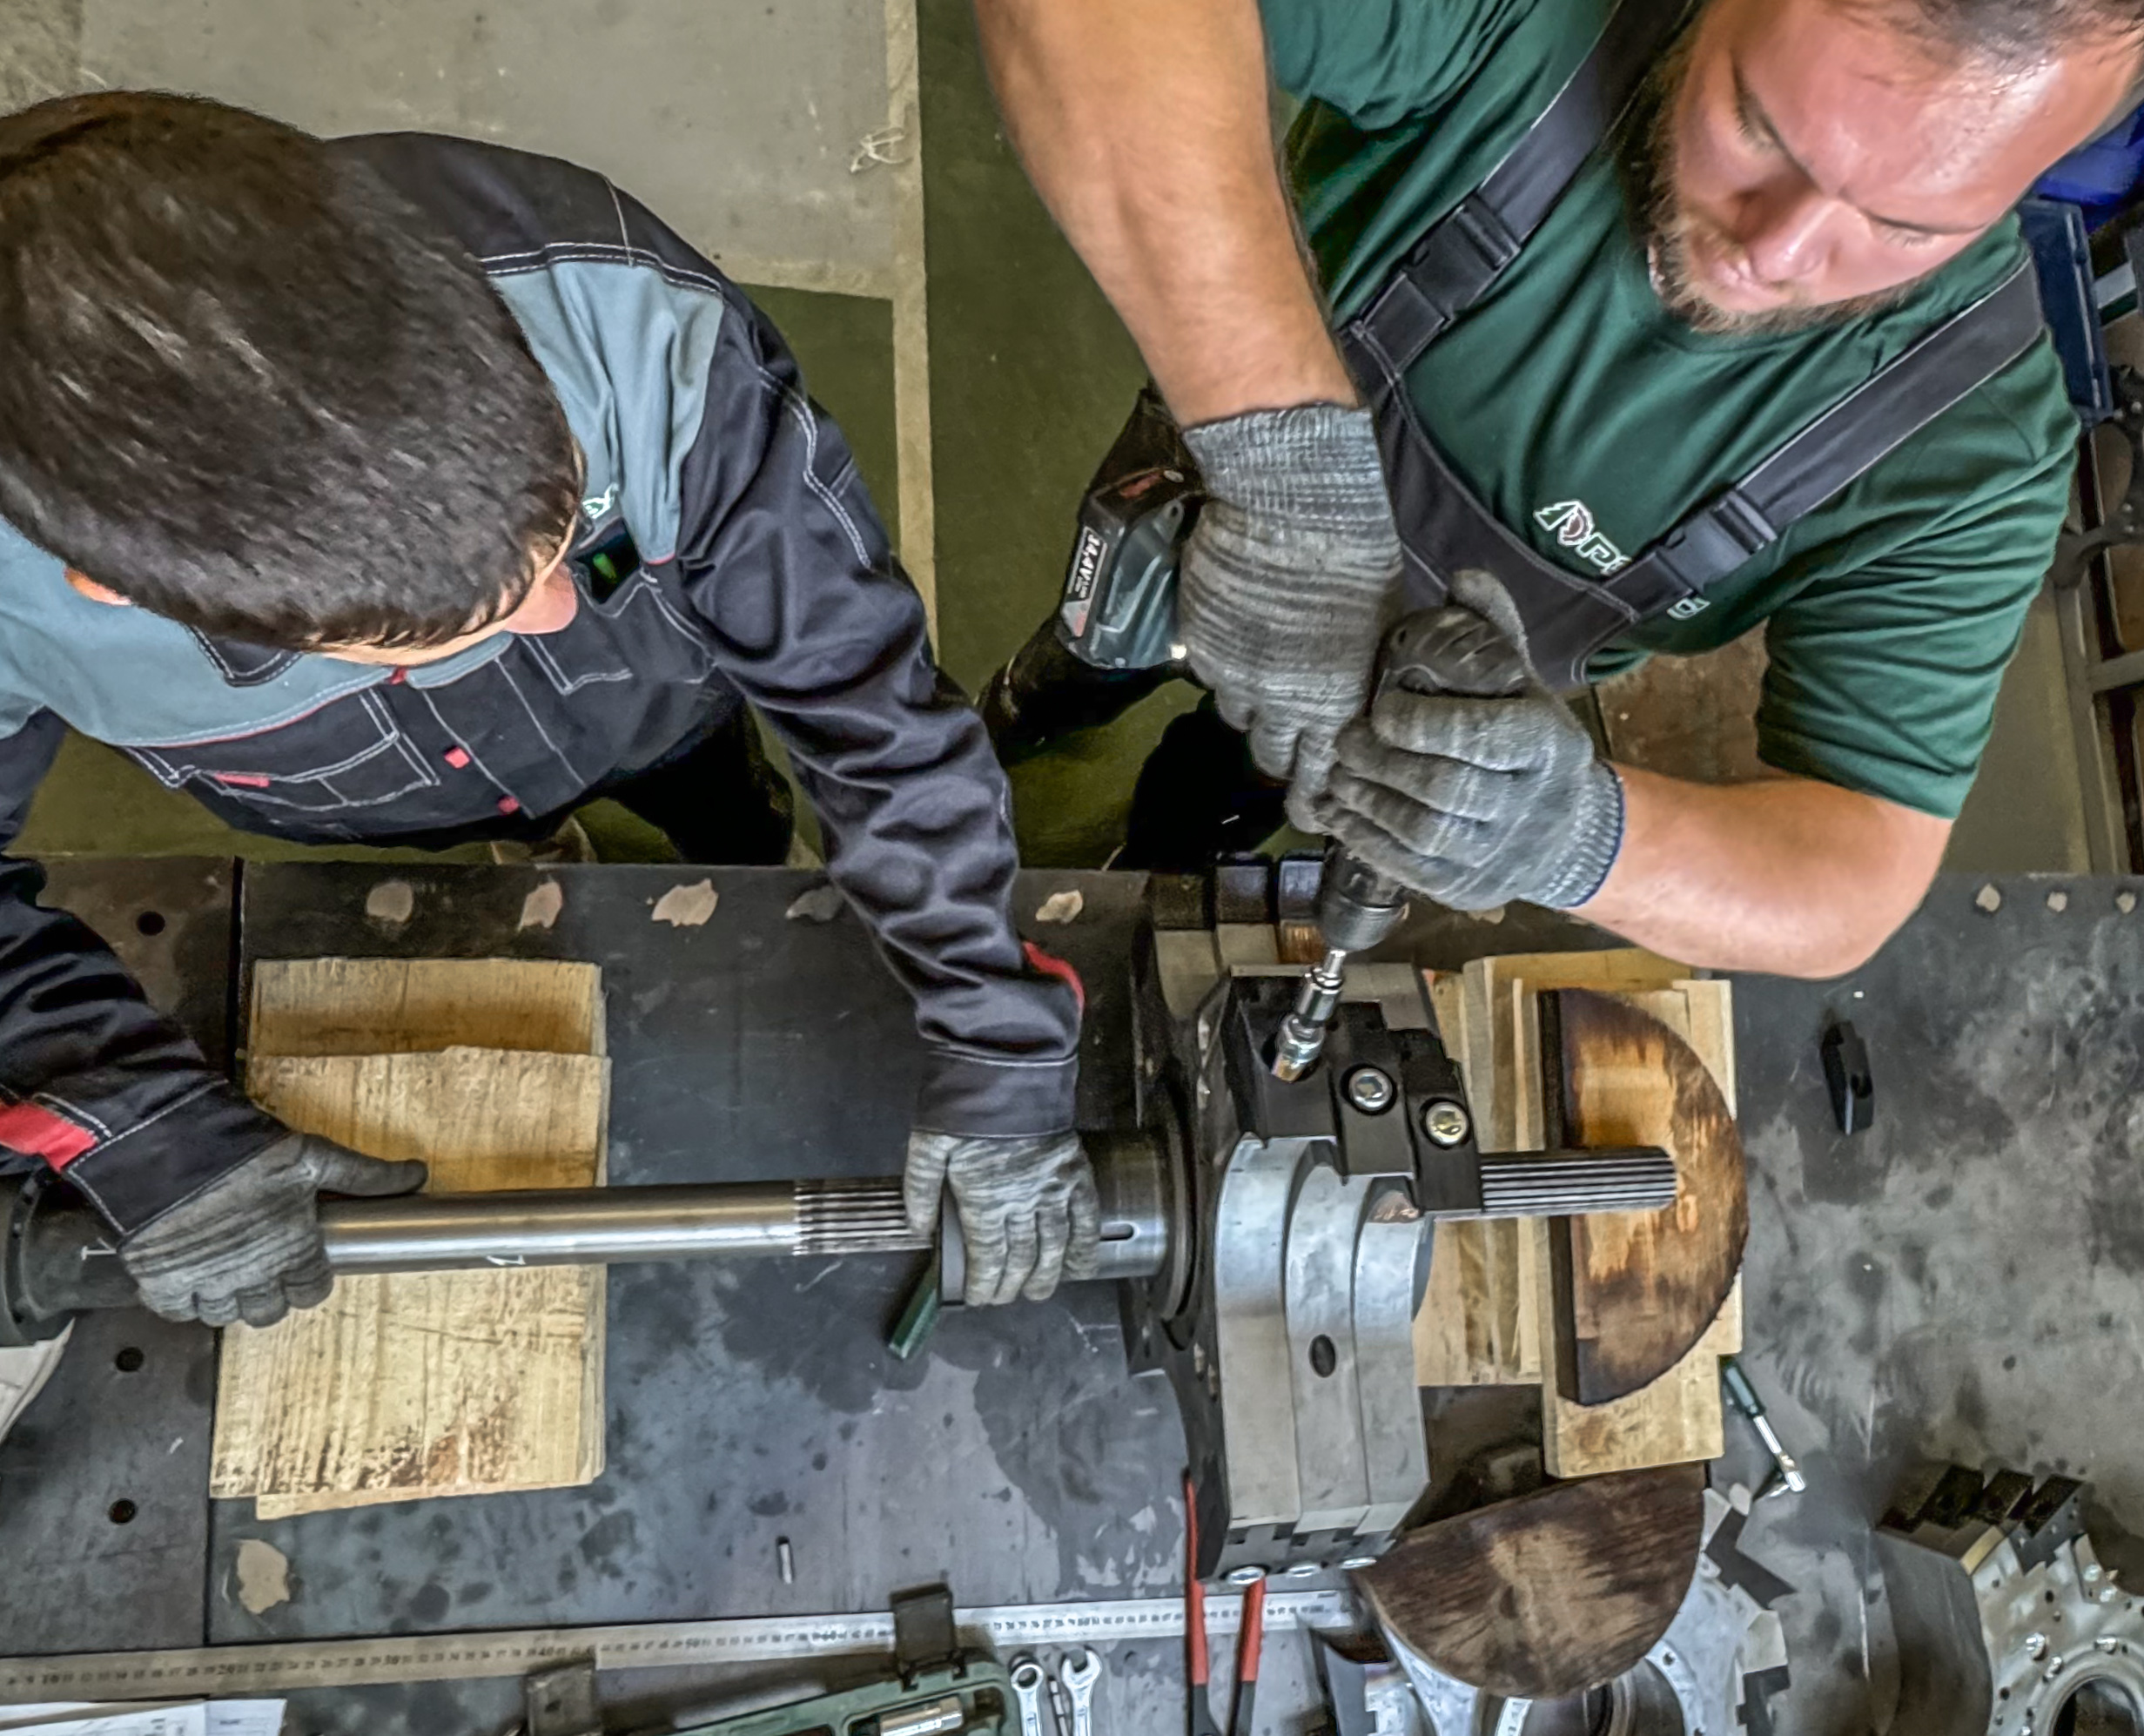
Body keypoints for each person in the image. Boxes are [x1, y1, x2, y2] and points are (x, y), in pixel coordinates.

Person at [0, 91, 1099, 1330]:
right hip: (358, 795)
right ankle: (527, 840)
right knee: (480, 834)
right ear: (116, 587)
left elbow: (862, 695)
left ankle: (737, 838)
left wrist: (994, 1030)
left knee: (724, 802)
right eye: (447, 627)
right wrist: (139, 1124)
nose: (561, 608)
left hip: (661, 711)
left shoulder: (621, 315)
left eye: (568, 525)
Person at [975, 0, 2134, 976]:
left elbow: (1858, 876)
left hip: (1400, 725)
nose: (1773, 253)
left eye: (1902, 228)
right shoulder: (1537, 23)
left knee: (1227, 793)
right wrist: (1283, 466)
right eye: (1760, 128)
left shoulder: (1969, 444)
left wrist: (1573, 837)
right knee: (1100, 635)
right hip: (1213, 484)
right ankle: (1033, 708)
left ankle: (1168, 839)